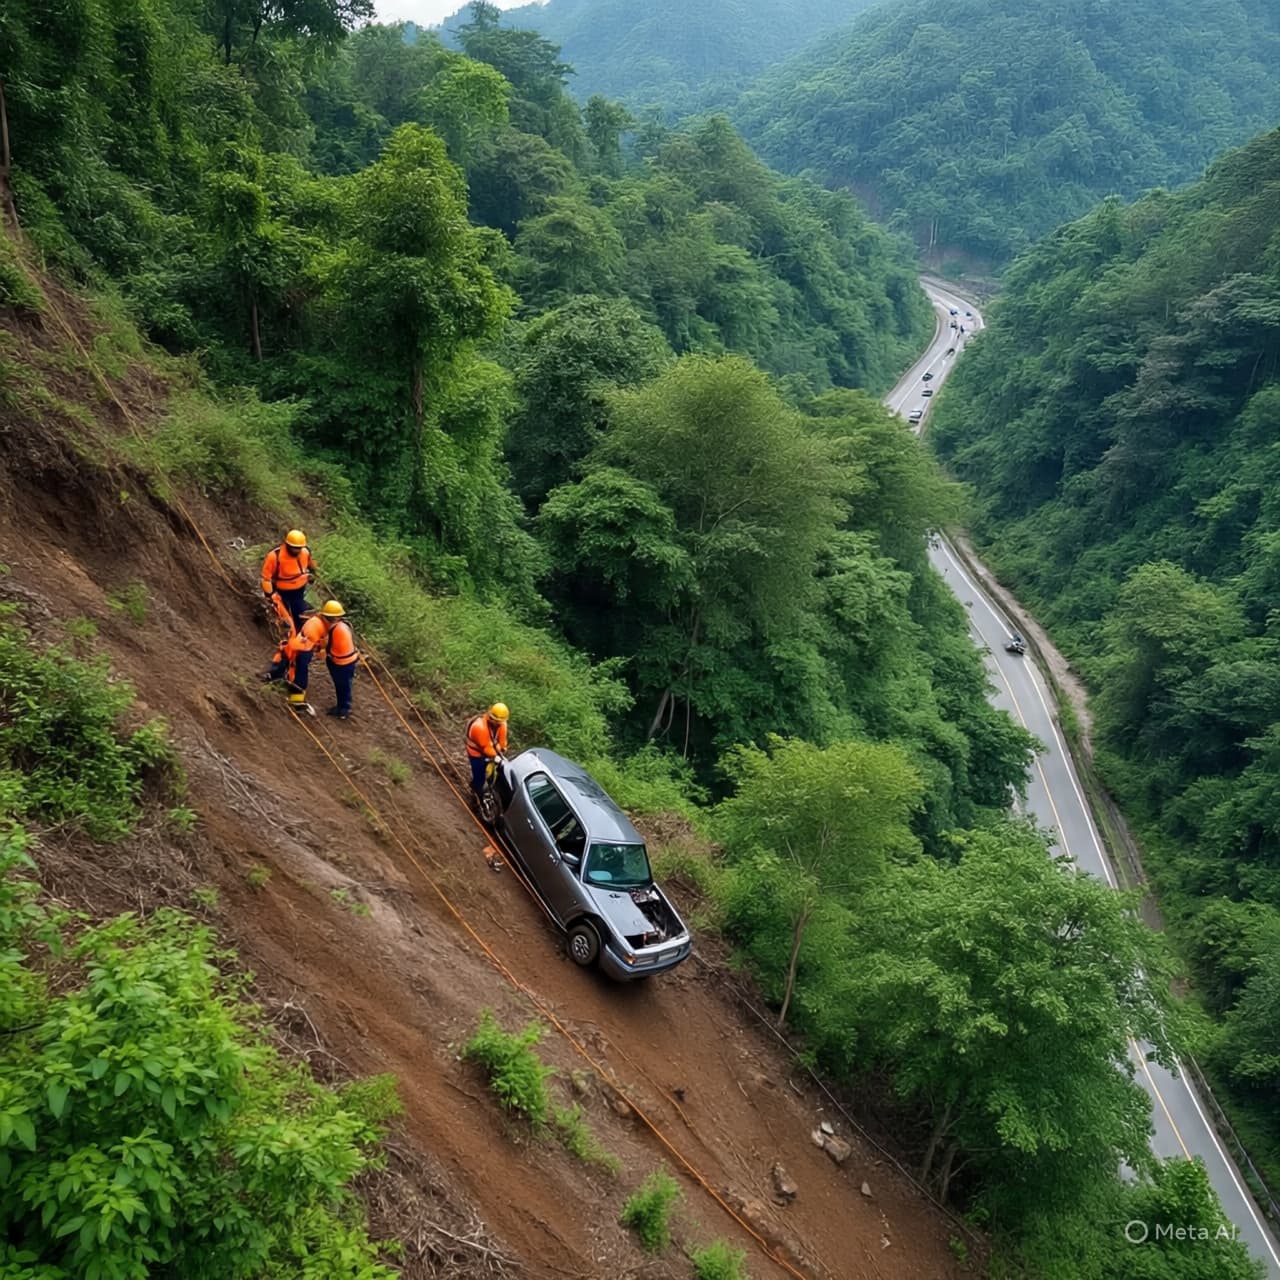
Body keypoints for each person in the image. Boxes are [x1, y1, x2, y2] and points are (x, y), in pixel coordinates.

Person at [260, 530, 316, 629]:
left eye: (299, 548)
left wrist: (313, 574)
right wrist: (271, 595)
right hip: (282, 591)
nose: (297, 551)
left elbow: (311, 565)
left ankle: (300, 632)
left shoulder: (305, 552)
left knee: (299, 613)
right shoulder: (274, 557)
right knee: (287, 618)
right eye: (294, 548)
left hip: (299, 590)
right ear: (287, 545)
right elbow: (266, 579)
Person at [466, 702, 509, 802]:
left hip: (490, 750)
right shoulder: (479, 728)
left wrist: (501, 749)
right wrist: (496, 756)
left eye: (500, 722)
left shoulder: (502, 724)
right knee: (479, 775)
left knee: (495, 774)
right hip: (476, 754)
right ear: (491, 717)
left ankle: (489, 787)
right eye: (496, 721)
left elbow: (502, 742)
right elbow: (486, 748)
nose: (498, 724)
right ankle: (477, 793)